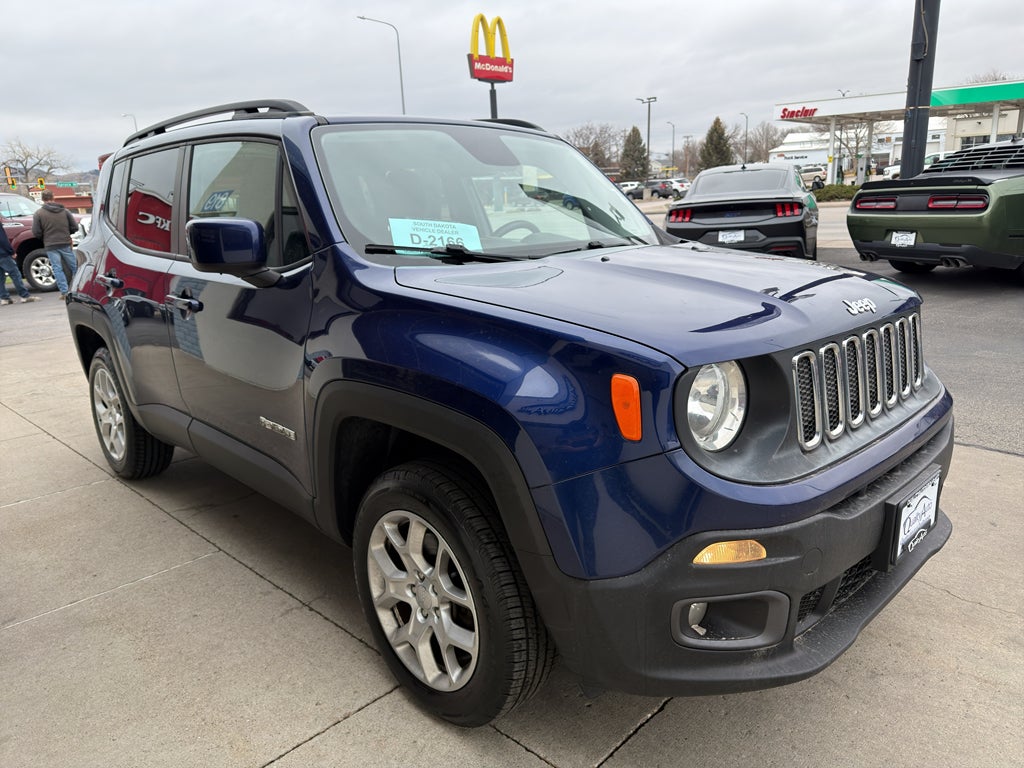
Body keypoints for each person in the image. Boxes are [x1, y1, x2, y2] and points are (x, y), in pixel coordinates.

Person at [31, 190, 79, 297]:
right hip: (65, 242)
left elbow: (36, 232)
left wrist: (45, 237)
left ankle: (64, 292)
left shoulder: (38, 214)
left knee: (57, 269)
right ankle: (78, 288)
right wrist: (67, 233)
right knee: (74, 267)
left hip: (50, 245)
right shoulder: (65, 211)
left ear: (43, 199)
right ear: (54, 198)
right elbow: (75, 227)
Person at [0, 223, 39, 305]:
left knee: (1, 277)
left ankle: (4, 298)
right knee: (15, 274)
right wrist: (11, 251)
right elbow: (2, 239)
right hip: (3, 254)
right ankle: (25, 295)